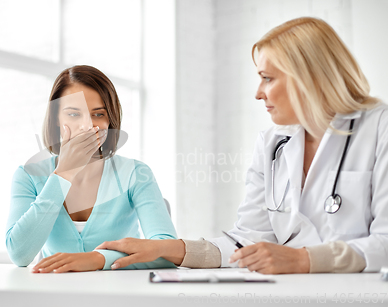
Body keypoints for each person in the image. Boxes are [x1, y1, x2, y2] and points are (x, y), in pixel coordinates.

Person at [96, 17, 388, 274]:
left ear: (308, 78)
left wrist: (304, 260)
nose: (258, 93)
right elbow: (248, 240)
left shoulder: (379, 127)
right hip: (290, 293)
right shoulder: (273, 144)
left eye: (267, 78)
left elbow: (385, 243)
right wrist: (172, 249)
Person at [5, 65, 177, 273]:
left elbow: (168, 252)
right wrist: (64, 173)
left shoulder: (135, 173)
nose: (87, 126)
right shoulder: (28, 175)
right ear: (56, 118)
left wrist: (97, 259)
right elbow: (20, 255)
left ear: (110, 120)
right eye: (74, 114)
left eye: (98, 114)